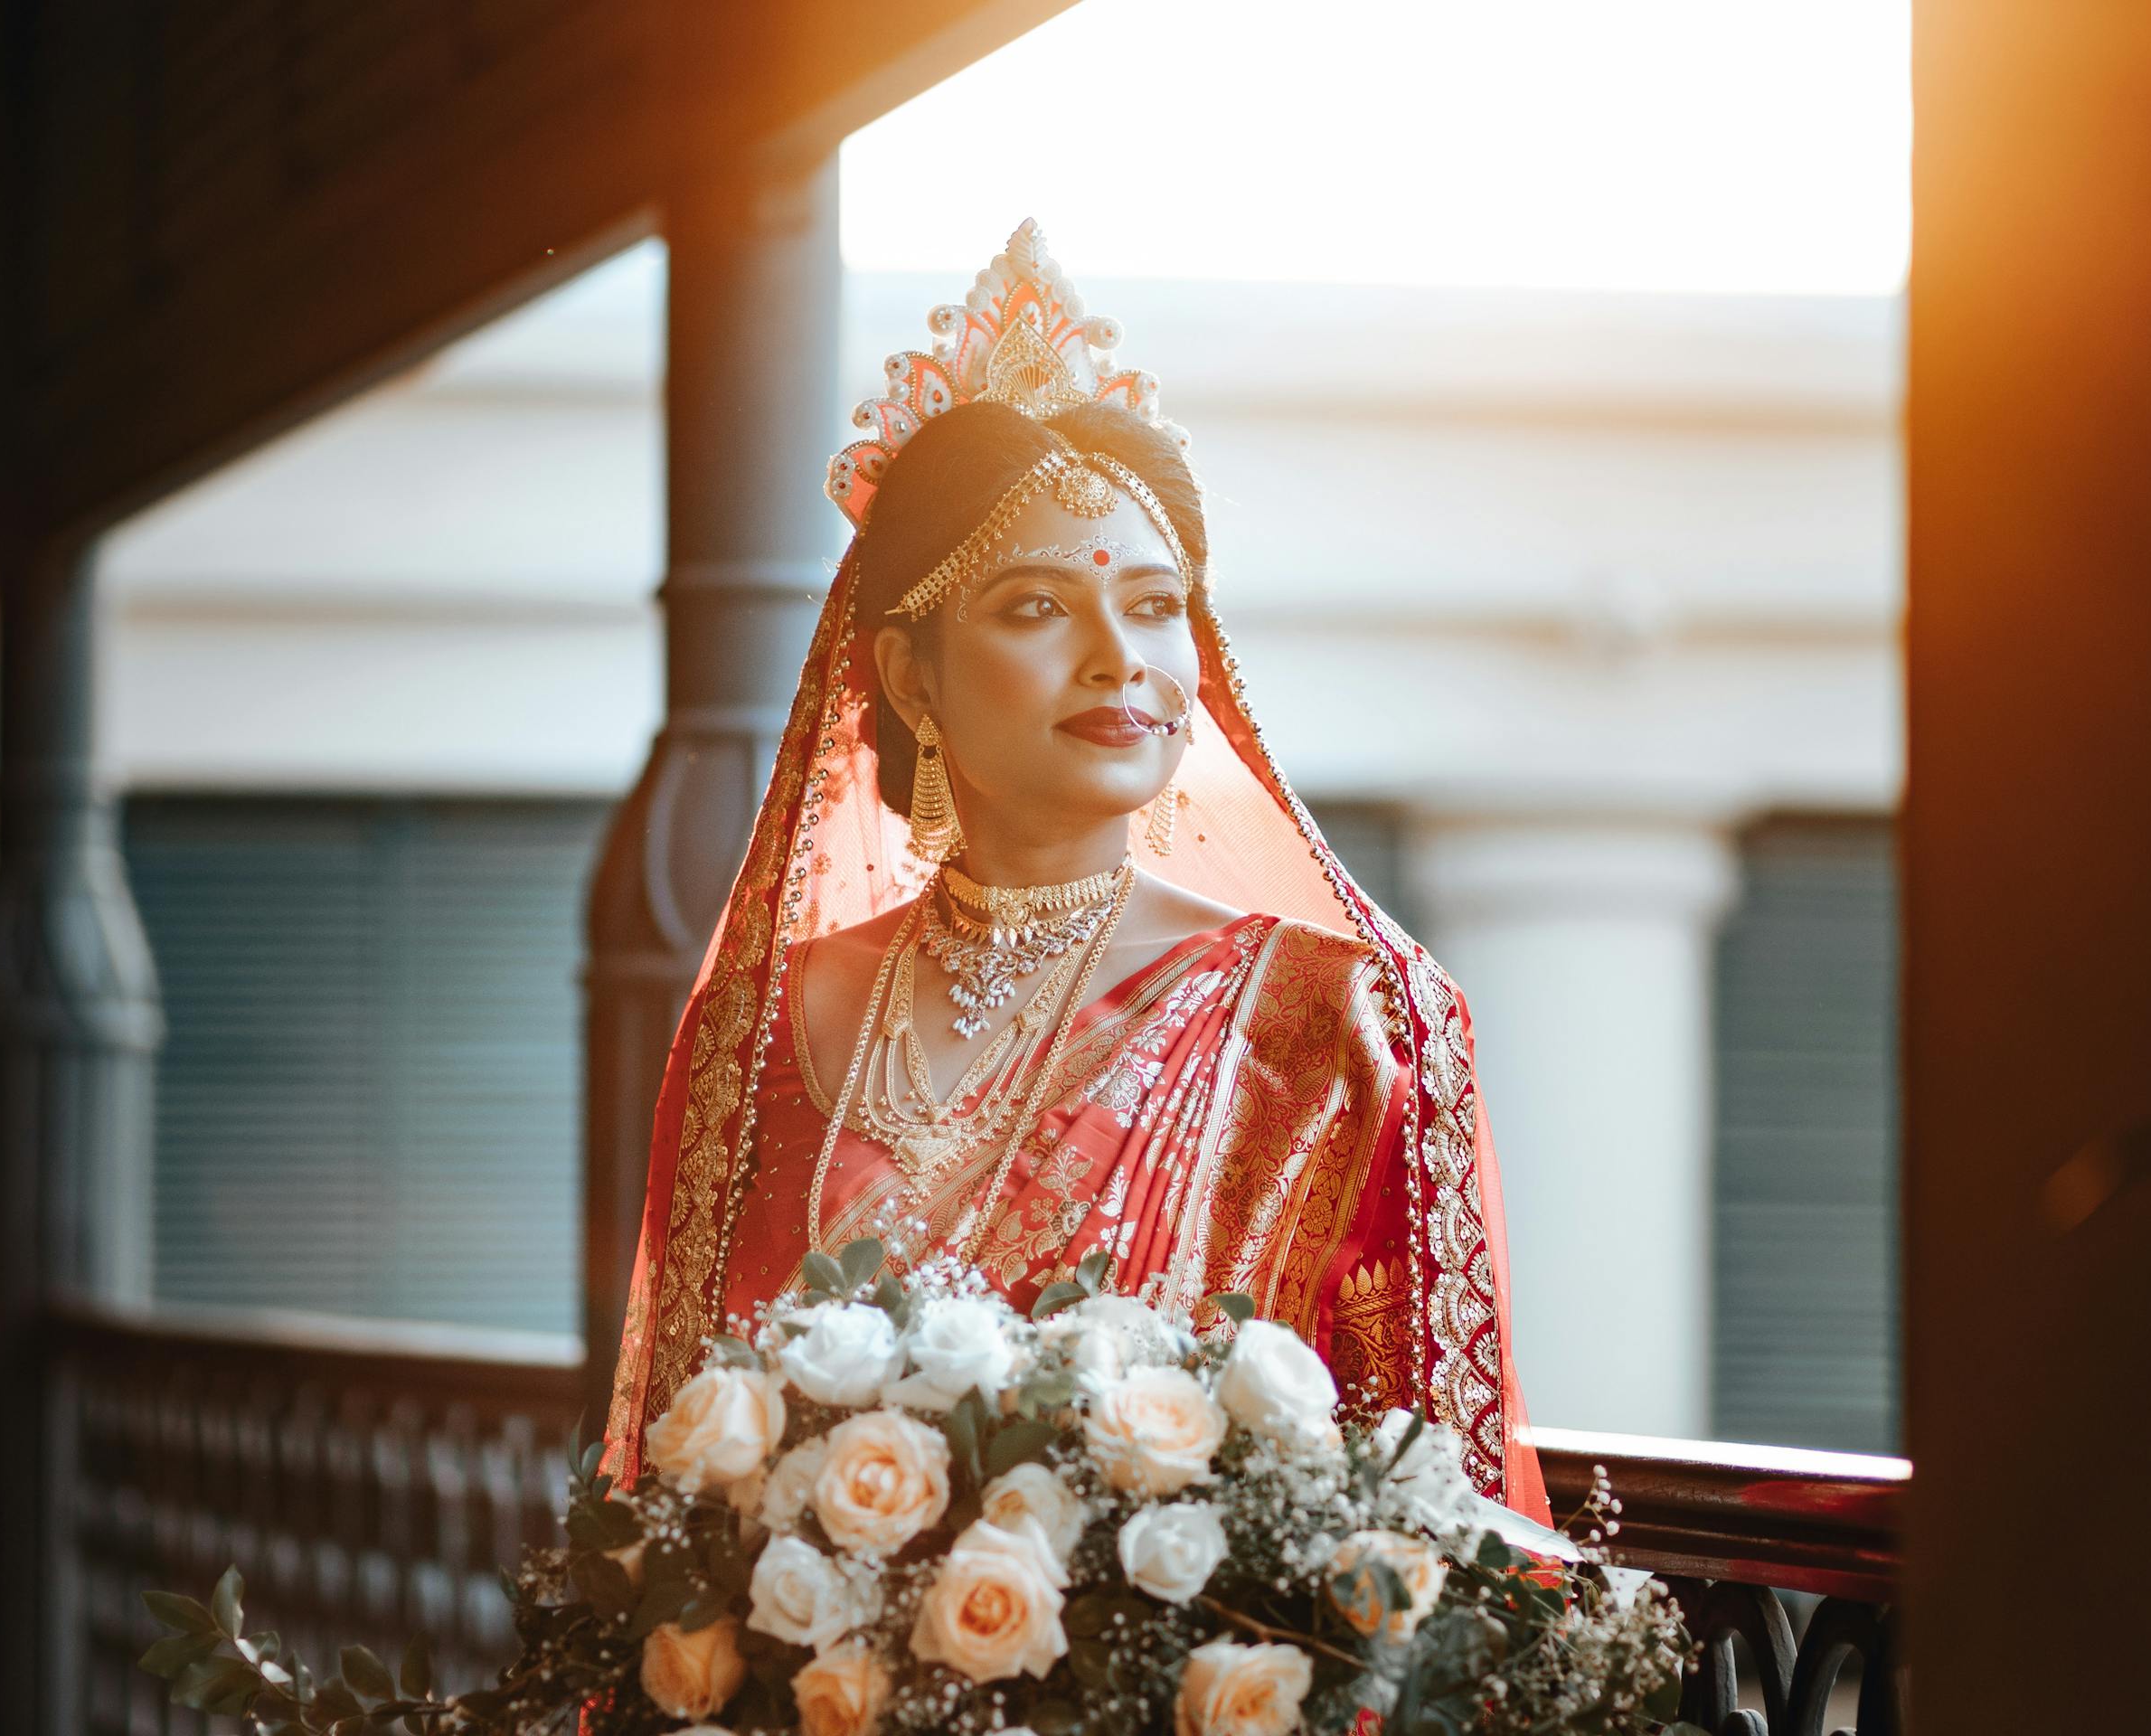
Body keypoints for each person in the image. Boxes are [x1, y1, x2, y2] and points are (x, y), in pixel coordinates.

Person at [605, 222, 1543, 1508]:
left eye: (1156, 606)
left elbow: (1427, 1524)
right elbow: (678, 1487)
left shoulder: (1340, 1026)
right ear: (909, 675)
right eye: (1038, 607)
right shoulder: (758, 1027)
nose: (1121, 659)